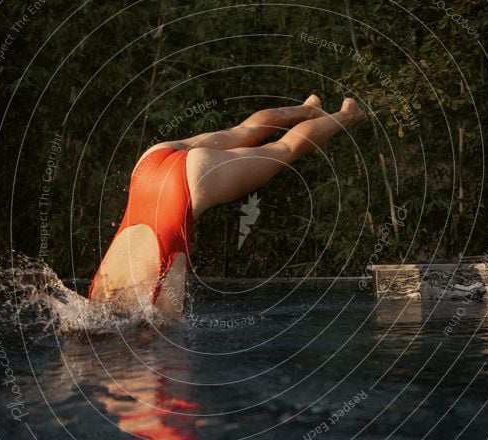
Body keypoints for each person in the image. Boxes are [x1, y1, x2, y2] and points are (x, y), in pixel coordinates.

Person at [88, 94, 367, 318]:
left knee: (283, 150)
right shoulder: (97, 294)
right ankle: (307, 109)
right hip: (148, 166)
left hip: (188, 180)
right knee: (242, 130)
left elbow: (173, 338)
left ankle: (347, 114)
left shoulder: (154, 306)